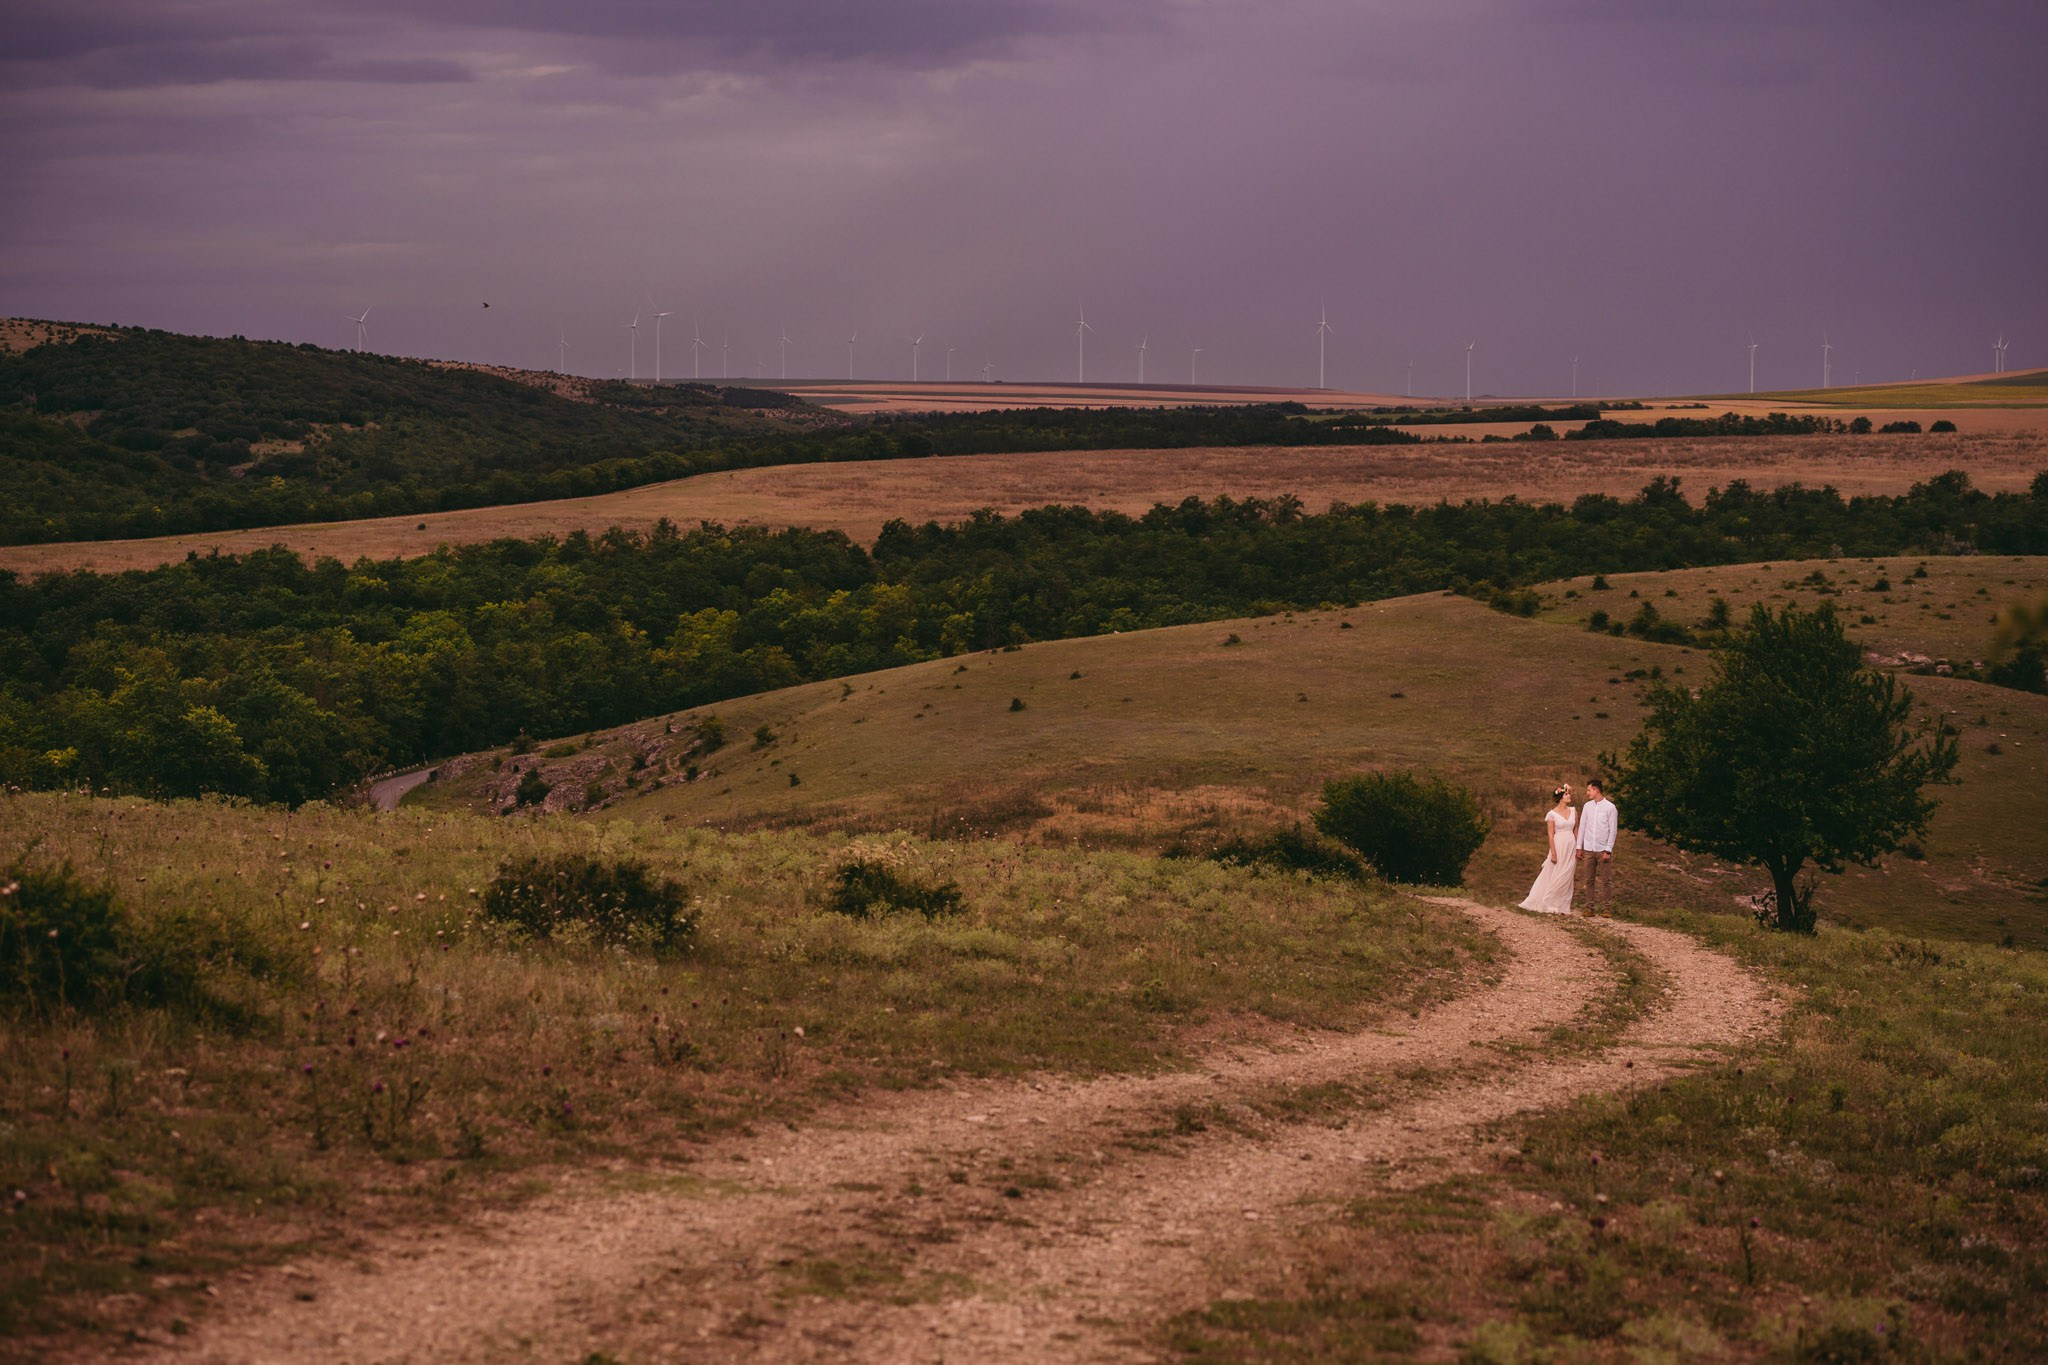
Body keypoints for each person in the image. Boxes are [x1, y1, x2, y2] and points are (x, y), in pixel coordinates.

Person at [1517, 785, 1577, 915]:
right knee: (1555, 873)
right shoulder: (1552, 814)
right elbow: (1550, 835)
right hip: (1559, 844)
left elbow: (1575, 829)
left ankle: (1562, 905)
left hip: (1570, 844)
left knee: (1567, 874)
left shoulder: (1573, 811)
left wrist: (1577, 847)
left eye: (1569, 794)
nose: (1569, 796)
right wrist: (1553, 853)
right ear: (1560, 797)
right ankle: (1547, 901)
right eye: (1566, 794)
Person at [1576, 778, 1619, 916]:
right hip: (1589, 848)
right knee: (1589, 880)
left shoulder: (1610, 808)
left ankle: (1607, 908)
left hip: (1603, 850)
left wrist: (1608, 850)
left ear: (1596, 790)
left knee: (1606, 880)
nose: (1587, 793)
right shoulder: (1587, 806)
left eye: (1589, 790)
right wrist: (1579, 847)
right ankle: (1589, 908)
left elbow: (1613, 830)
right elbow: (1582, 827)